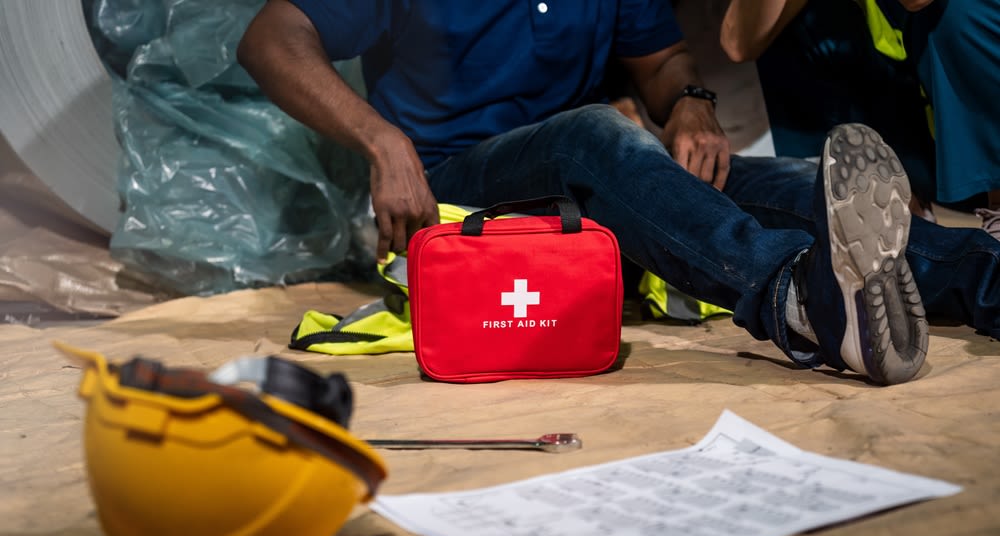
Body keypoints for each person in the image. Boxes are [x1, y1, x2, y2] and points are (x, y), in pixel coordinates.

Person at [237, 0, 1000, 386]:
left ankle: (984, 279)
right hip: (461, 191)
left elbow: (662, 60)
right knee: (594, 133)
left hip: (595, 176)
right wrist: (382, 140)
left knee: (787, 184)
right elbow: (270, 37)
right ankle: (798, 303)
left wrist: (692, 100)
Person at [720, 0, 1000, 232]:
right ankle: (894, 221)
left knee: (956, 12)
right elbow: (739, 42)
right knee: (792, 27)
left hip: (978, 133)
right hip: (934, 144)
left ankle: (996, 218)